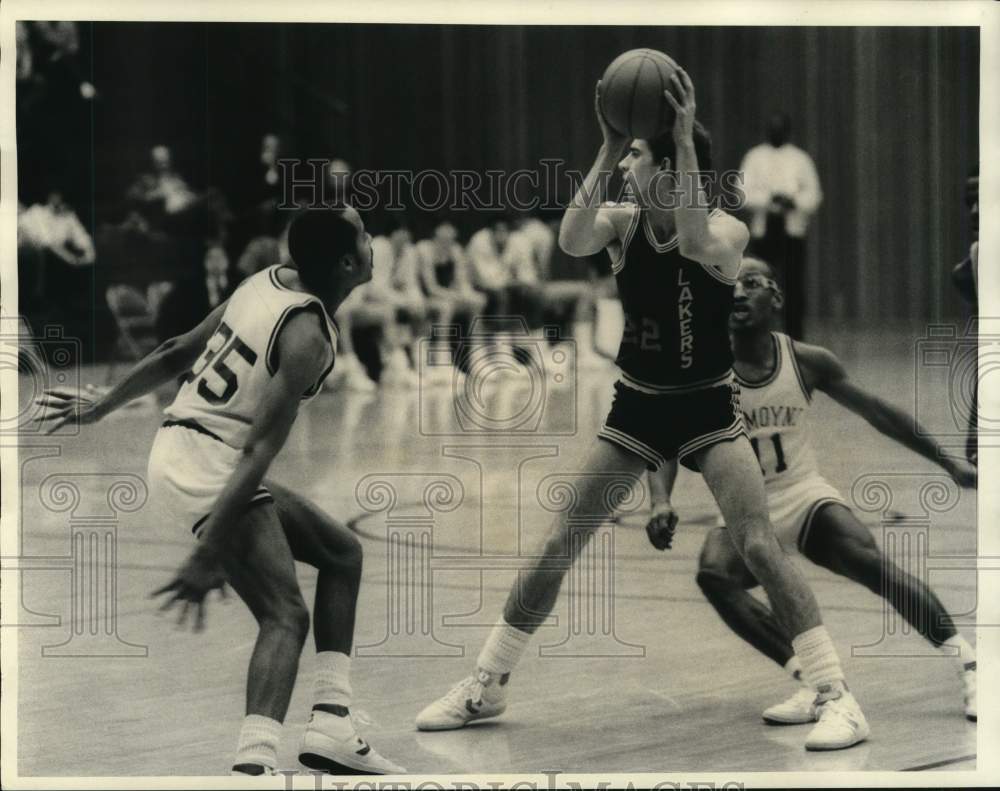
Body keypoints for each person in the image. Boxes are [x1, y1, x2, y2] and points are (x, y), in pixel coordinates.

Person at [417, 70, 869, 750]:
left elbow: (688, 240)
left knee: (756, 543)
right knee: (559, 541)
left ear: (670, 164)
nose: (627, 161)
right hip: (639, 404)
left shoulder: (726, 232)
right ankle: (487, 681)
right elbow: (569, 240)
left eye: (635, 154)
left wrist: (683, 138)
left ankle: (837, 694)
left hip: (709, 407)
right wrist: (604, 148)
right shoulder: (622, 222)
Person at [37, 207, 405, 776]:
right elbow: (259, 452)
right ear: (347, 262)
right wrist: (209, 553)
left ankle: (333, 720)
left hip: (183, 448)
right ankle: (251, 771)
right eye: (364, 235)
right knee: (285, 615)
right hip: (211, 463)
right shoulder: (307, 335)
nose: (373, 240)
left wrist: (102, 406)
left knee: (341, 552)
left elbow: (177, 349)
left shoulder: (265, 282)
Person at [645, 256, 978, 724]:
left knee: (870, 562)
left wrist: (949, 466)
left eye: (752, 283)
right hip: (743, 510)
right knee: (714, 576)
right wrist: (660, 499)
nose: (739, 292)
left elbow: (879, 414)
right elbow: (665, 442)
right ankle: (815, 681)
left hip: (802, 495)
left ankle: (971, 663)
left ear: (776, 298)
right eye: (729, 285)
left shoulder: (806, 361)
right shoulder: (700, 370)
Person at [739, 113, 822, 339]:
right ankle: (758, 333)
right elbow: (741, 192)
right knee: (759, 282)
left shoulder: (800, 159)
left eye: (780, 128)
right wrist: (768, 200)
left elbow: (814, 195)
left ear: (787, 131)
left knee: (793, 286)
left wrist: (793, 201)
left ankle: (794, 337)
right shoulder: (755, 157)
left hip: (792, 230)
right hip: (764, 229)